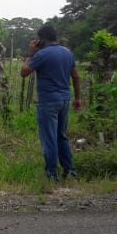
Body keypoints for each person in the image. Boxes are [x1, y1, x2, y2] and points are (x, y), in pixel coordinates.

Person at [20, 25, 82, 183]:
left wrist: (30, 54)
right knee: (62, 137)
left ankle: (51, 175)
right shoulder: (67, 53)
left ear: (41, 39)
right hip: (65, 100)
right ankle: (70, 171)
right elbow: (75, 76)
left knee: (49, 138)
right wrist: (78, 98)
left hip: (48, 101)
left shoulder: (42, 55)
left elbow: (24, 72)